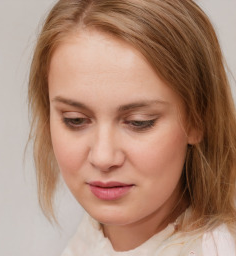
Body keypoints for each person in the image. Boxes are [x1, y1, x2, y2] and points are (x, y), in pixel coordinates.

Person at [28, 0, 236, 255]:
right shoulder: (91, 237)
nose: (103, 157)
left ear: (198, 118)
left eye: (139, 122)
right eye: (75, 120)